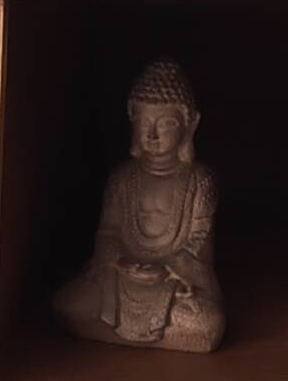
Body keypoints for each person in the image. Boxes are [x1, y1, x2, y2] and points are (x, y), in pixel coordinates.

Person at [54, 61, 225, 353]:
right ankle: (168, 338)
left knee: (208, 324)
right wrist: (122, 263)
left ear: (189, 124)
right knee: (67, 305)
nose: (153, 135)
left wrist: (167, 270)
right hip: (120, 280)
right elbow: (107, 233)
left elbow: (199, 245)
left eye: (165, 124)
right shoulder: (122, 178)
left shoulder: (200, 181)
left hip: (173, 283)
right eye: (145, 123)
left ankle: (117, 332)